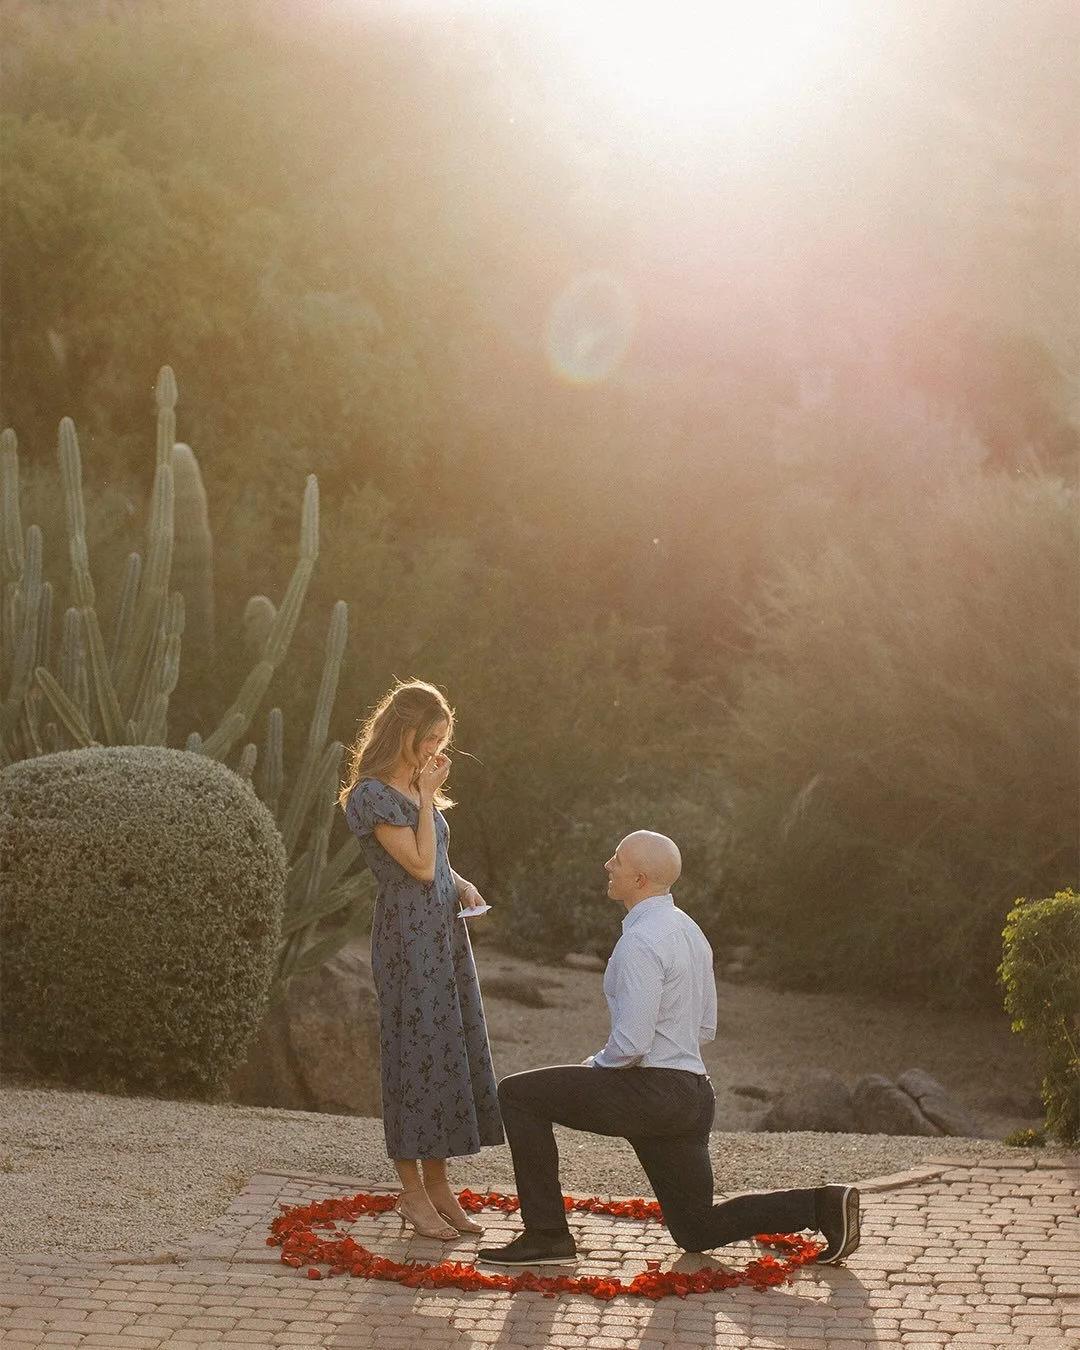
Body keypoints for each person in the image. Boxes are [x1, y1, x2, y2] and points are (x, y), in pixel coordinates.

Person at [477, 830, 860, 1266]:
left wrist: (594, 1067)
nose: (607, 865)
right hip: (692, 1094)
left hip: (652, 1092)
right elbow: (705, 1028)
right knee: (696, 1229)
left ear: (639, 879)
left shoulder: (640, 941)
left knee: (518, 1094)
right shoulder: (690, 931)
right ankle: (822, 1205)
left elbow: (632, 1044)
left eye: (616, 860)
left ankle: (546, 1235)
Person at [341, 679, 502, 1241]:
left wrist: (462, 884)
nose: (437, 749)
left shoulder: (412, 787)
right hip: (408, 941)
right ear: (403, 732)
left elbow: (438, 868)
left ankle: (439, 1187)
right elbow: (416, 866)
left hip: (442, 935)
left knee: (445, 1055)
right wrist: (430, 798)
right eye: (429, 737)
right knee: (414, 1060)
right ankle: (411, 1192)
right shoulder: (371, 794)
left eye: (442, 739)